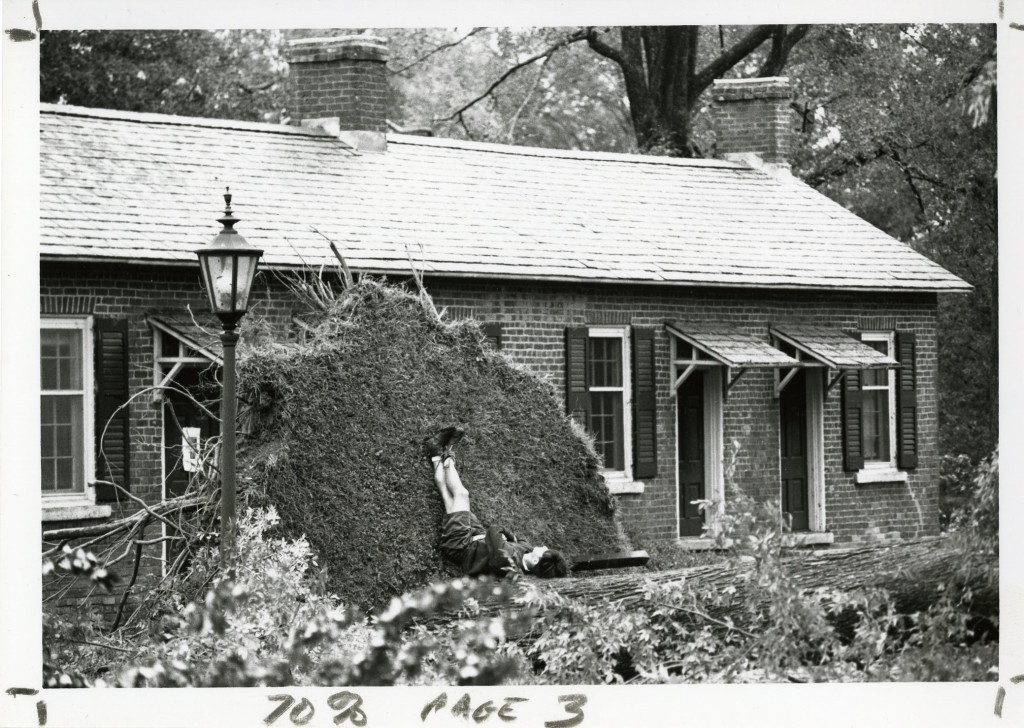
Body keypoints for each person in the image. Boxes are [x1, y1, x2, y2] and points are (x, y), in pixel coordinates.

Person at [424, 426, 569, 580]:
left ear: (535, 560)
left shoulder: (506, 561)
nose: (543, 547)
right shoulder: (528, 552)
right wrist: (507, 539)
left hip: (460, 544)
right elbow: (517, 540)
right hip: (475, 535)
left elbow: (494, 529)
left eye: (544, 551)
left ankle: (448, 454)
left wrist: (505, 537)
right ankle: (435, 453)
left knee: (461, 495)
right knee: (448, 498)